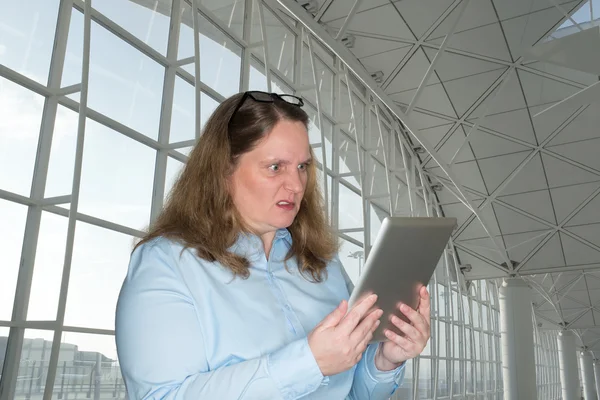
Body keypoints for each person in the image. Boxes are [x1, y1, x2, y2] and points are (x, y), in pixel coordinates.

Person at [115, 91, 431, 399]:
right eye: (276, 167)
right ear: (223, 170)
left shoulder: (324, 265)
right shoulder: (167, 262)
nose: (296, 185)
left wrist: (386, 360)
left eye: (302, 166)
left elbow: (354, 392)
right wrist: (309, 364)